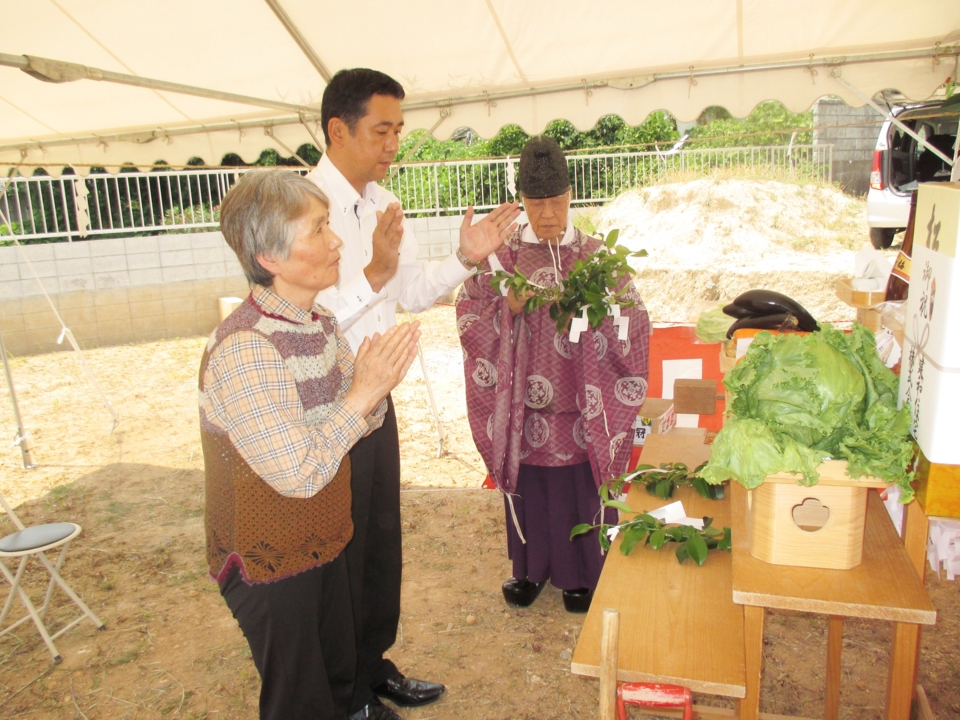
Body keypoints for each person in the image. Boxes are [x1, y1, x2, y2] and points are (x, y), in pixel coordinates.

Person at [306, 68, 520, 720]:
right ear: (338, 129)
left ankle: (371, 668)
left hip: (376, 401)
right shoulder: (300, 208)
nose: (394, 142)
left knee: (376, 543)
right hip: (326, 405)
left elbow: (412, 290)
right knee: (334, 556)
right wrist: (371, 270)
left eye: (399, 128)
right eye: (382, 129)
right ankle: (341, 694)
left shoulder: (382, 204)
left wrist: (466, 257)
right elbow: (303, 315)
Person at [199, 169, 420, 720]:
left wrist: (373, 387)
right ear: (271, 257)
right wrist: (362, 394)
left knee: (338, 670)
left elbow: (355, 423)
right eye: (318, 229)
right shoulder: (245, 349)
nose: (337, 240)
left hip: (323, 537)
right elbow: (300, 473)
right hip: (271, 561)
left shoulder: (316, 319)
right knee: (300, 699)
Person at [456, 136, 651, 614]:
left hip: (586, 405)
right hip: (524, 409)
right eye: (536, 203)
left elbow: (636, 321)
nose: (547, 214)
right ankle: (529, 569)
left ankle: (583, 573)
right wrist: (508, 307)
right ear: (522, 202)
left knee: (581, 488)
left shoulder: (597, 257)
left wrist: (598, 313)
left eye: (556, 202)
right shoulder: (501, 259)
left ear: (570, 198)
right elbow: (467, 313)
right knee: (532, 490)